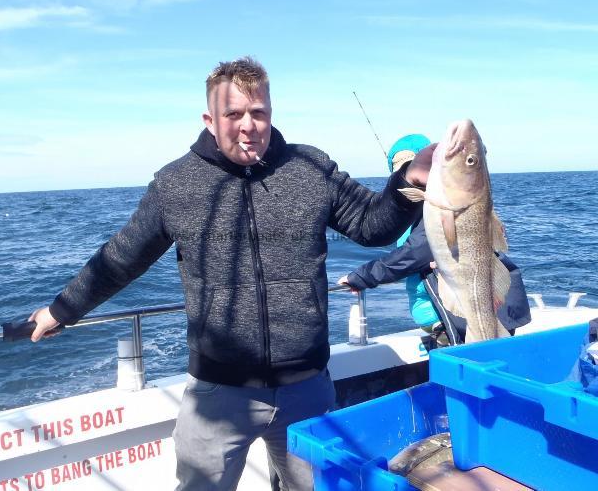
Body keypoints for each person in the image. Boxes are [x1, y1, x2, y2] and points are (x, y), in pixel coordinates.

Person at [28, 57, 432, 490]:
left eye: (258, 113)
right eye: (233, 114)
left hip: (307, 387)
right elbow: (122, 257)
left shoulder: (311, 168)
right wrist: (61, 310)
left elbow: (373, 225)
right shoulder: (175, 183)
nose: (247, 125)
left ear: (271, 113)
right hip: (217, 396)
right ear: (210, 118)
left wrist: (409, 181)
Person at [338, 134, 531, 345]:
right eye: (401, 167)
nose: (412, 174)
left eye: (416, 164)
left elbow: (416, 252)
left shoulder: (440, 203)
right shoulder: (422, 203)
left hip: (452, 316)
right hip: (464, 311)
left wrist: (363, 276)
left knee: (470, 365)